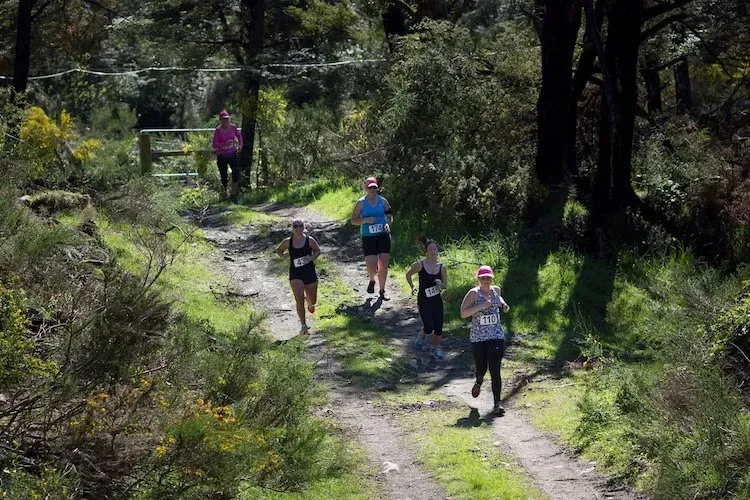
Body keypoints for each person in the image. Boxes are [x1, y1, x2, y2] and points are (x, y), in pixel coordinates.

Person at [460, 265, 510, 414]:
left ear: (492, 278)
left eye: (488, 277)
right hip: (478, 338)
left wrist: (504, 306)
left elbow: (500, 300)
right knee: (481, 368)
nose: (486, 280)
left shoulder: (496, 290)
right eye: (483, 278)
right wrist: (481, 306)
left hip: (496, 336)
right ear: (478, 279)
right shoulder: (473, 294)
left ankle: (497, 403)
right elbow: (463, 313)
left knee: (495, 369)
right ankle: (478, 381)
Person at [275, 219, 321, 334]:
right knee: (299, 299)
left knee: (312, 300)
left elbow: (317, 251)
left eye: (300, 226)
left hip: (309, 272)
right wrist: (283, 256)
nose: (298, 228)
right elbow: (279, 250)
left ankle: (310, 303)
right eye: (295, 226)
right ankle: (303, 325)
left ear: (304, 227)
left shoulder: (309, 240)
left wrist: (310, 258)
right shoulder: (288, 242)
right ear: (292, 228)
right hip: (295, 273)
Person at [351, 176, 393, 300]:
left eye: (374, 187)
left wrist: (387, 224)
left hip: (383, 235)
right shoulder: (361, 203)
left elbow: (389, 214)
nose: (372, 190)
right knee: (372, 265)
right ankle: (372, 279)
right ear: (366, 188)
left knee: (383, 264)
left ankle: (382, 290)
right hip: (368, 237)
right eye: (370, 187)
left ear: (377, 187)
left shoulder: (383, 201)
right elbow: (353, 220)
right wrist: (365, 220)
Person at [405, 237, 447, 359]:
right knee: (429, 327)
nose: (433, 251)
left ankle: (434, 349)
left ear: (438, 251)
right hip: (424, 300)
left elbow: (445, 285)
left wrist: (440, 284)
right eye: (430, 249)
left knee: (438, 327)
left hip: (437, 301)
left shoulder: (442, 267)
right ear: (426, 252)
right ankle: (422, 335)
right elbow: (408, 275)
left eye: (435, 249)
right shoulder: (420, 265)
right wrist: (412, 287)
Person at [211, 111, 243, 203]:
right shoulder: (218, 130)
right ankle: (224, 195)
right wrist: (224, 144)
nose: (225, 121)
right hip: (222, 156)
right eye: (223, 119)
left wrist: (240, 145)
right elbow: (214, 144)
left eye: (227, 119)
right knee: (223, 176)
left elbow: (239, 136)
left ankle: (234, 194)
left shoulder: (233, 127)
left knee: (236, 172)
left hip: (232, 154)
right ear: (220, 120)